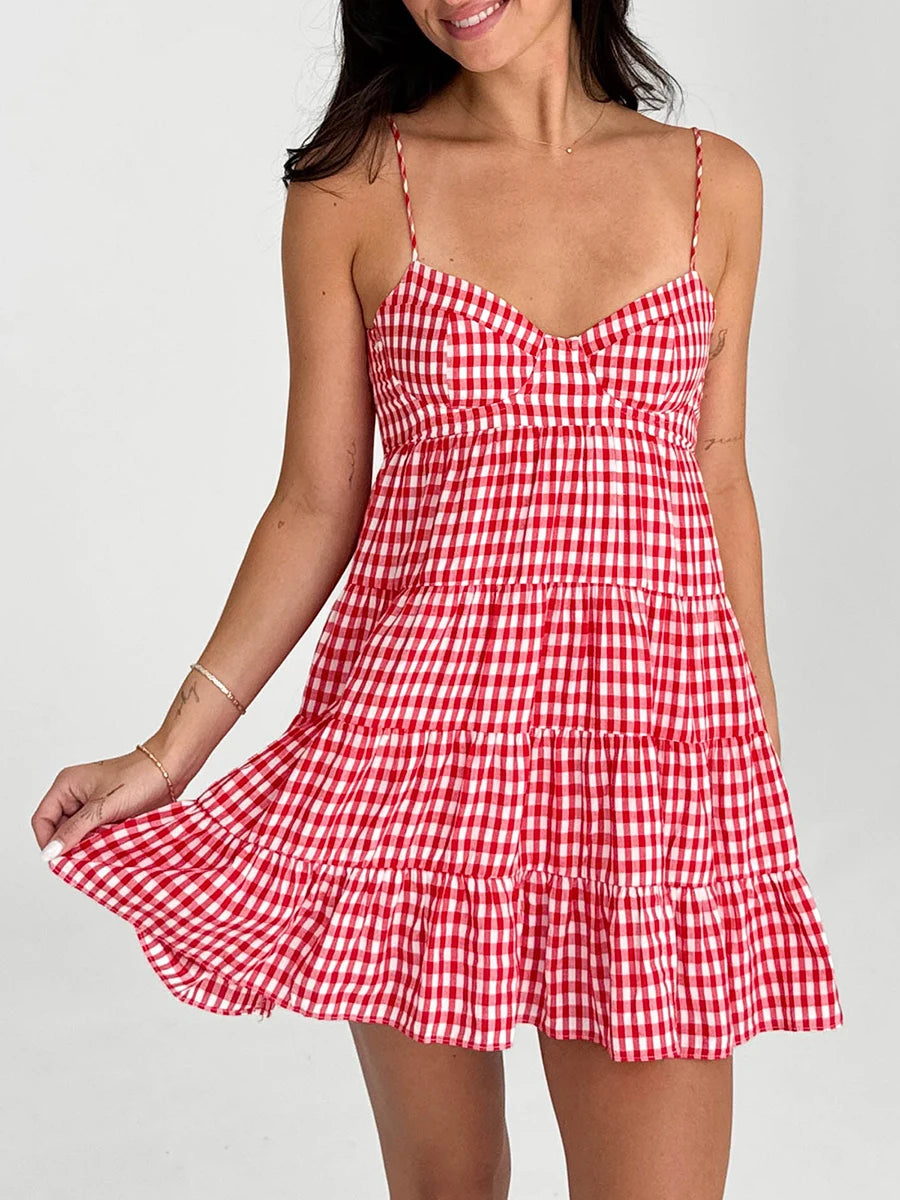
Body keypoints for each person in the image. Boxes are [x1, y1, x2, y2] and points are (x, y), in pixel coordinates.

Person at [33, 1, 844, 1196]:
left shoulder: (716, 185)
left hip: (645, 756)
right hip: (414, 755)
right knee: (447, 1180)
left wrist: (751, 728)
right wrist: (168, 754)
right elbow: (316, 501)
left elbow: (716, 469)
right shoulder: (357, 189)